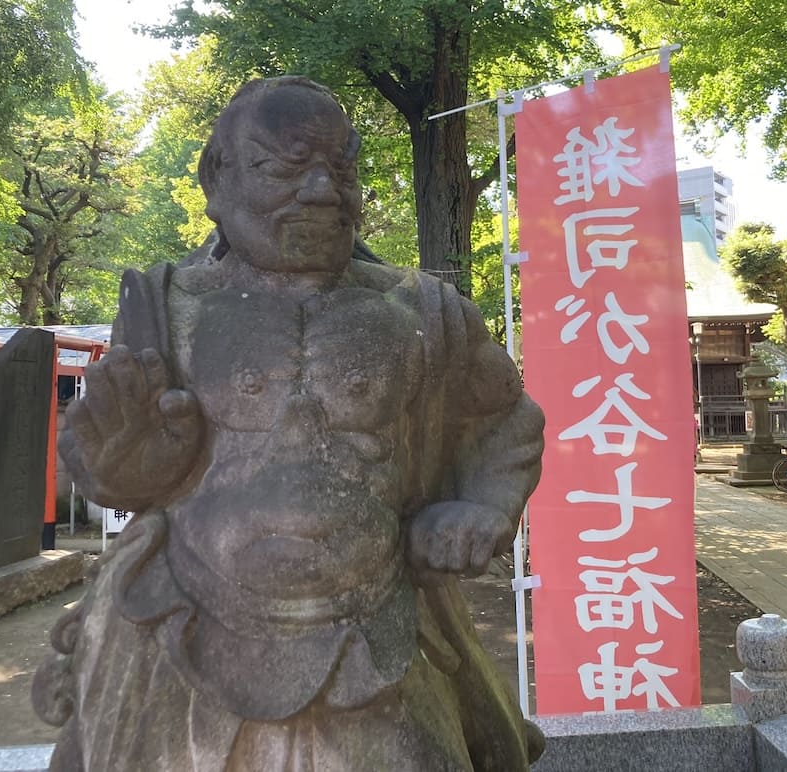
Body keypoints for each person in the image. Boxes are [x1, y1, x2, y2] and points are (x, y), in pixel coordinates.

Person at [32, 77, 545, 771]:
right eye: (284, 168)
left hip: (378, 626)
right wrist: (125, 465)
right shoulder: (167, 309)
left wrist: (481, 506)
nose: (322, 193)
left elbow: (502, 421)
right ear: (218, 176)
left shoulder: (421, 314)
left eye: (342, 170)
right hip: (191, 621)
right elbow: (101, 459)